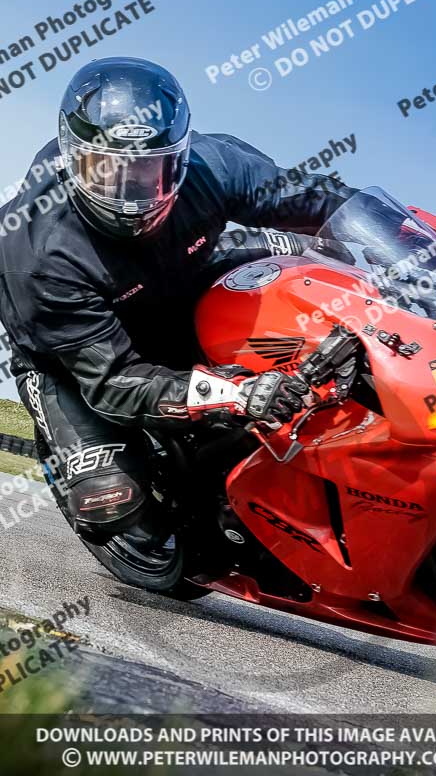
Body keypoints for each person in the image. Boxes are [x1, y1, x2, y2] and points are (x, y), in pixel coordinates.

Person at [0, 56, 357, 546]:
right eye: (104, 172)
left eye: (148, 172)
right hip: (75, 356)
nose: (129, 194)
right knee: (111, 504)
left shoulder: (219, 165)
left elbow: (323, 200)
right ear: (71, 158)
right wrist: (235, 395)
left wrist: (422, 245)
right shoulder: (37, 255)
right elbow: (113, 383)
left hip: (184, 276)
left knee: (324, 262)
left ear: (180, 157)